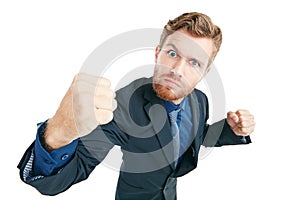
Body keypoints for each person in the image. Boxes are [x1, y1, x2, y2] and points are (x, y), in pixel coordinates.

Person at [18, 12, 255, 200]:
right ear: (157, 53)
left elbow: (196, 133)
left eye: (194, 62)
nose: (178, 70)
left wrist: (229, 130)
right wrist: (58, 134)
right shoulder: (123, 105)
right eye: (173, 53)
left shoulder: (199, 99)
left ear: (205, 71)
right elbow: (72, 170)